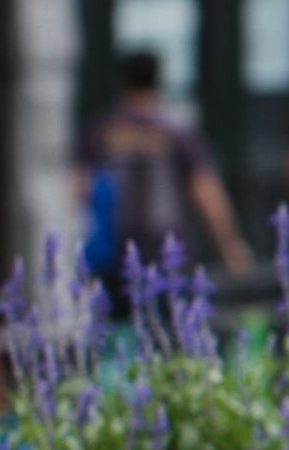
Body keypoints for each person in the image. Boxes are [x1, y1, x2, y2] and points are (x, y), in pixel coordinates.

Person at [79, 49, 248, 291]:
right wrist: (230, 244)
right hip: (167, 247)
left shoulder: (103, 130)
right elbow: (205, 188)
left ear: (120, 81)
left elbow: (80, 188)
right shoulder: (177, 129)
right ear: (159, 79)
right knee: (168, 323)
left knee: (115, 324)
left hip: (114, 249)